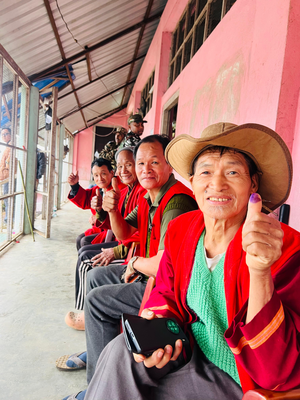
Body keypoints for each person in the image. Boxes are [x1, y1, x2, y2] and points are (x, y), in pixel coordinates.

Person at [79, 122, 300, 400]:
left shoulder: (286, 247)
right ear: (193, 181)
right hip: (188, 347)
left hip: (237, 376)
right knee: (120, 350)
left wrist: (259, 272)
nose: (216, 183)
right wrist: (159, 324)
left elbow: (278, 372)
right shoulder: (183, 229)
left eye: (232, 171)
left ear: (253, 183)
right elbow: (165, 291)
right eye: (205, 171)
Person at [60, 135, 198, 400]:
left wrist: (133, 262)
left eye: (154, 162)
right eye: (141, 162)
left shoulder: (176, 202)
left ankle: (96, 387)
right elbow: (125, 232)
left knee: (97, 300)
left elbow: (163, 265)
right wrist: (111, 210)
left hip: (165, 289)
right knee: (95, 277)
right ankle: (97, 347)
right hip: (147, 274)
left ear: (170, 166)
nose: (145, 168)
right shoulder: (149, 197)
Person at [65, 147, 146, 329]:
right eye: (120, 166)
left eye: (129, 165)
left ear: (111, 174)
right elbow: (123, 227)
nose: (124, 170)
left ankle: (87, 312)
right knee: (84, 245)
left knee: (86, 257)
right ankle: (88, 311)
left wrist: (116, 249)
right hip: (126, 246)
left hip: (134, 255)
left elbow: (132, 234)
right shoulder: (127, 191)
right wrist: (100, 210)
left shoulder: (140, 192)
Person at [68, 158, 114, 251]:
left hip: (111, 231)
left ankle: (91, 264)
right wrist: (74, 186)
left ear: (111, 173)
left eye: (103, 174)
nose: (100, 178)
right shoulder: (97, 189)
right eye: (96, 175)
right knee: (79, 239)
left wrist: (98, 216)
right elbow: (84, 200)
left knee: (85, 242)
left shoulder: (118, 191)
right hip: (99, 228)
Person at [0, 127, 12, 224]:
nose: (4, 136)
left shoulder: (11, 147)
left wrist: (2, 176)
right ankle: (8, 219)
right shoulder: (6, 147)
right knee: (7, 199)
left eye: (6, 134)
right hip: (6, 177)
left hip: (8, 178)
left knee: (8, 199)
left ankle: (9, 220)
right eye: (2, 134)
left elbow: (8, 165)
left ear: (10, 135)